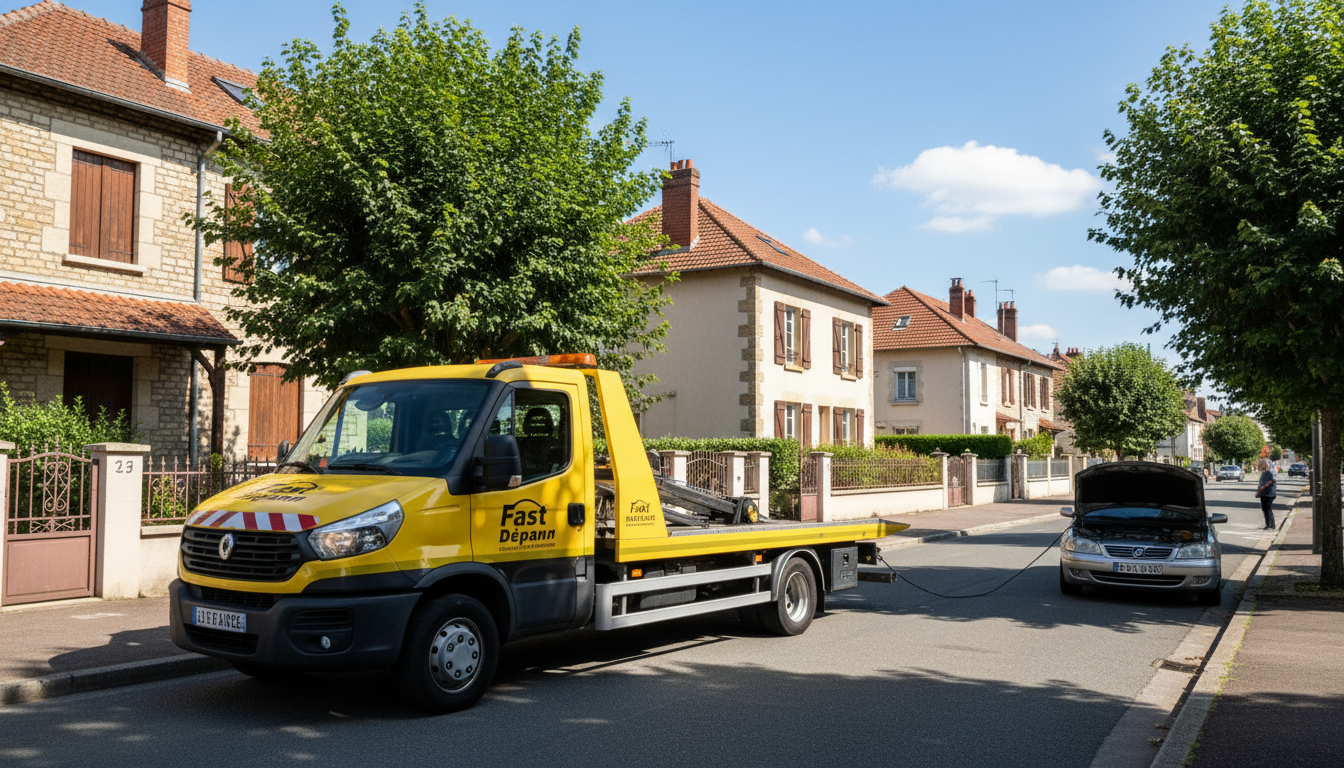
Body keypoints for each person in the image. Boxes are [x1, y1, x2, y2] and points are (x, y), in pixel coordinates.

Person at [1255, 458, 1277, 530]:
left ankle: (1270, 525)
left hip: (1267, 493)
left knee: (1267, 509)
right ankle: (1269, 524)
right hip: (1267, 493)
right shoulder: (1266, 473)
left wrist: (1261, 489)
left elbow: (1269, 482)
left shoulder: (1267, 473)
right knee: (1266, 509)